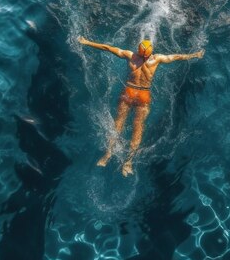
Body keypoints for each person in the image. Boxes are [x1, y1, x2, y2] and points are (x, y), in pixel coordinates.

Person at [78, 36, 204, 176]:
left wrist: (87, 42)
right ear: (150, 52)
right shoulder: (157, 59)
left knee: (118, 124)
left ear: (138, 50)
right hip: (143, 96)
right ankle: (128, 162)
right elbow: (176, 57)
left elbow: (107, 48)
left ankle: (107, 156)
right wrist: (194, 54)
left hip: (128, 92)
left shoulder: (130, 56)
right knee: (137, 129)